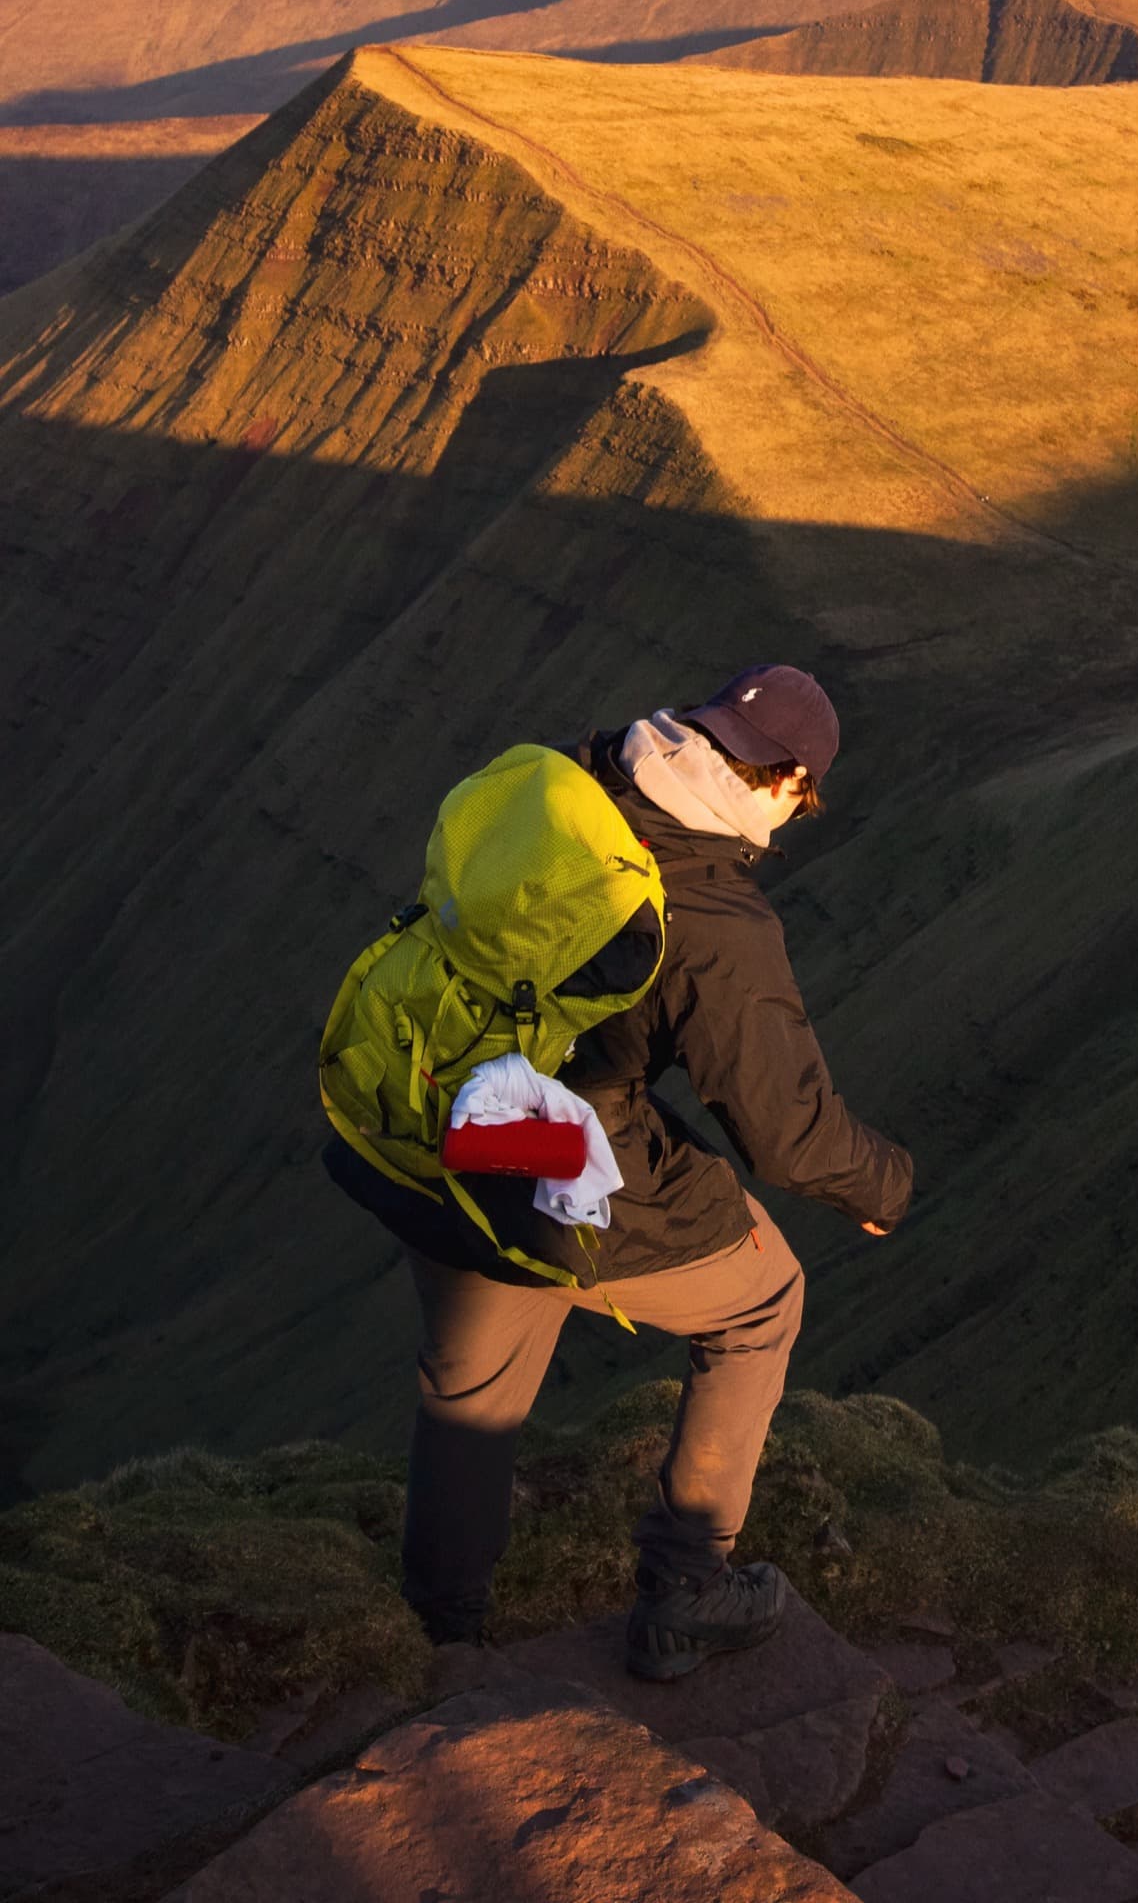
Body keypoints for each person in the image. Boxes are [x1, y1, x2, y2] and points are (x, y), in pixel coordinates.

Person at [326, 663, 912, 1680]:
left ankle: (441, 1638)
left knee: (473, 1379)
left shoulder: (572, 776)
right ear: (784, 783)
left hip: (444, 1106)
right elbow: (787, 1135)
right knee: (763, 1299)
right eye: (801, 797)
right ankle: (689, 1592)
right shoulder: (716, 920)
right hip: (550, 1142)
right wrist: (884, 1187)